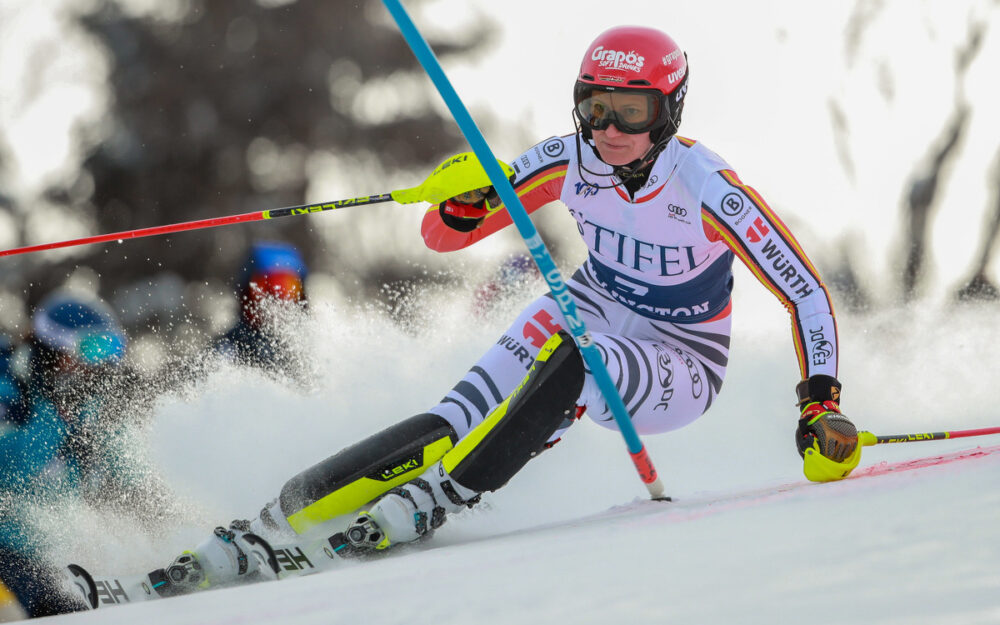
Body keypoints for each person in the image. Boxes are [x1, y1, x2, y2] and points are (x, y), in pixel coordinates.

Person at [151, 25, 859, 592]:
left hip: (681, 357)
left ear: (669, 110)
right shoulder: (568, 159)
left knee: (580, 361)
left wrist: (819, 401)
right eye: (594, 105)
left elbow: (803, 287)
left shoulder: (708, 188)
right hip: (592, 304)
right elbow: (442, 234)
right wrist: (461, 207)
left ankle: (447, 492)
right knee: (459, 409)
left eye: (631, 111)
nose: (608, 129)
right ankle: (285, 512)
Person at [0, 290, 152, 617]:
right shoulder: (11, 388)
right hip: (8, 555)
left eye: (109, 350)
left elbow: (131, 468)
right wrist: (53, 417)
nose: (97, 364)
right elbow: (7, 466)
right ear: (55, 348)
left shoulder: (84, 400)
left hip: (57, 552)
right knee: (58, 603)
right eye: (92, 349)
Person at [214, 241, 308, 375]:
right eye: (266, 287)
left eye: (288, 288)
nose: (277, 298)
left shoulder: (311, 347)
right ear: (246, 294)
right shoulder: (230, 348)